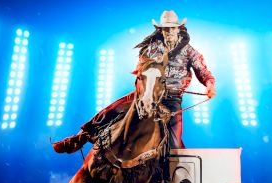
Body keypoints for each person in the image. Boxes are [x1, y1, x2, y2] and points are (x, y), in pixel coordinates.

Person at [53, 10, 216, 155]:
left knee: (173, 141)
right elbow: (143, 68)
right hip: (147, 92)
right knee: (111, 110)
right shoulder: (151, 48)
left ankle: (172, 178)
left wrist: (209, 84)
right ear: (161, 30)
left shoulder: (189, 51)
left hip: (172, 99)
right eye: (165, 29)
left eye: (172, 28)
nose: (169, 32)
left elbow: (202, 70)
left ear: (178, 29)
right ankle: (80, 138)